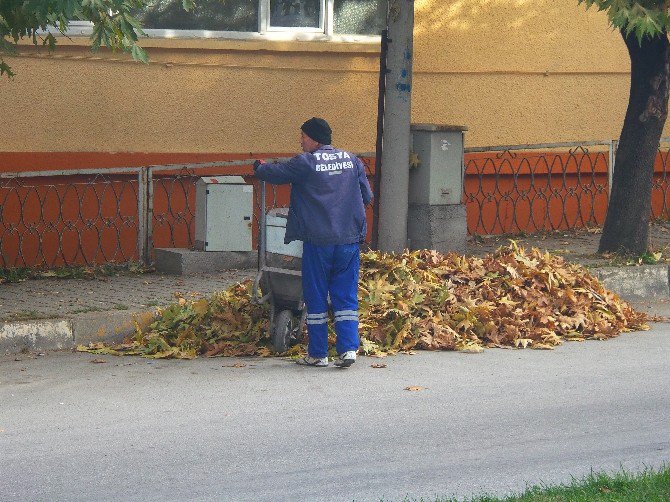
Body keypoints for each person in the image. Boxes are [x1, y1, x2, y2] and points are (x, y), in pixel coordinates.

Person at [254, 117, 373, 368]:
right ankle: (349, 350)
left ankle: (318, 354)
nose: (300, 141)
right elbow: (367, 196)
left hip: (319, 241)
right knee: (346, 294)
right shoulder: (353, 161)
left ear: (315, 139)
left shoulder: (306, 163)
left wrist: (259, 167)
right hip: (349, 240)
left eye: (303, 136)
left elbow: (277, 173)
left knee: (316, 295)